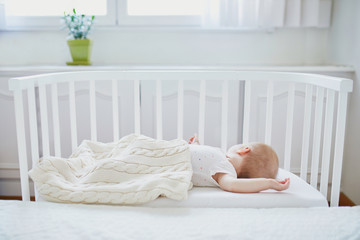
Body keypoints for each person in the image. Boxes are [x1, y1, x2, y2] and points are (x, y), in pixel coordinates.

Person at [188, 134, 290, 193]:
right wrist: (196, 145)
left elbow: (232, 185)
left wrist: (268, 183)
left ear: (244, 149)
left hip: (175, 165)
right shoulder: (222, 156)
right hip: (179, 151)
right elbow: (203, 162)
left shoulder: (226, 171)